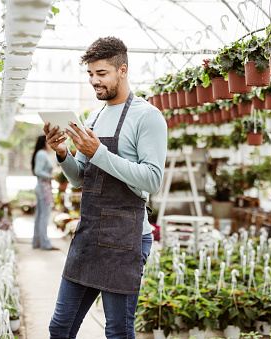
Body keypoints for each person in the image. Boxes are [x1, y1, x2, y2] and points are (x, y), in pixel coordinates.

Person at [44, 36, 167, 338]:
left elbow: (152, 179)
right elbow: (81, 179)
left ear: (122, 70)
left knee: (117, 332)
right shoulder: (94, 117)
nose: (94, 82)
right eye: (90, 74)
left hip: (126, 238)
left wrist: (98, 151)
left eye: (101, 74)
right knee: (60, 327)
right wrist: (63, 153)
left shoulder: (148, 116)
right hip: (90, 233)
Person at [31, 135, 59, 251]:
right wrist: (51, 177)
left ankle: (37, 242)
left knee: (39, 216)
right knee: (44, 216)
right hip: (44, 188)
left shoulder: (39, 153)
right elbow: (37, 171)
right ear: (45, 142)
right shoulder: (42, 154)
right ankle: (44, 243)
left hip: (42, 187)